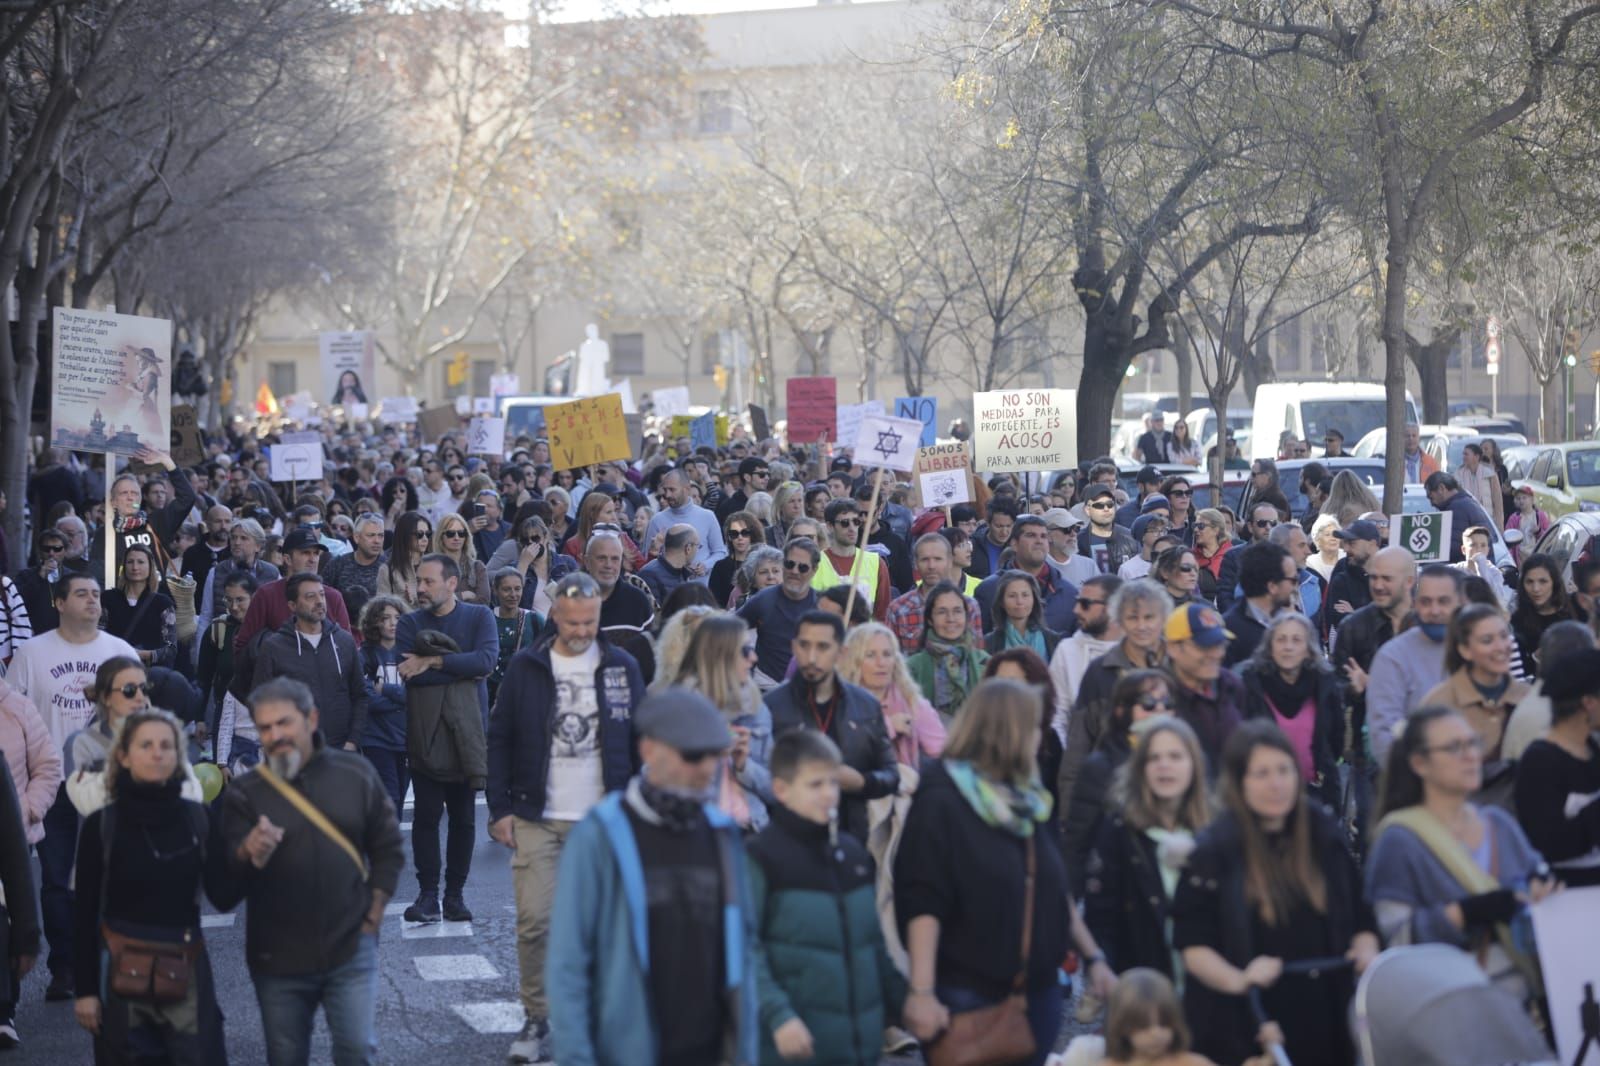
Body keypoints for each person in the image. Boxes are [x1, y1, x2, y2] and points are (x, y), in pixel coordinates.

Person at [895, 680, 1117, 1065]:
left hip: (1037, 991)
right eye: (1032, 727)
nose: (1039, 738)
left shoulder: (1026, 796)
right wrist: (922, 991)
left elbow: (1051, 887)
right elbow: (923, 900)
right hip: (970, 993)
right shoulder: (943, 796)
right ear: (1005, 729)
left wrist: (1093, 957)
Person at [545, 688, 760, 1066]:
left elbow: (746, 950)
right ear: (649, 750)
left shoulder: (723, 834)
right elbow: (568, 963)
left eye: (714, 754)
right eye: (693, 755)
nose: (707, 768)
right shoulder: (601, 835)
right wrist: (577, 1056)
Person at [487, 571, 643, 1065]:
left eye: (590, 622)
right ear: (555, 615)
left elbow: (643, 742)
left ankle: (591, 1018)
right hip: (537, 814)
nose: (581, 631)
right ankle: (537, 1015)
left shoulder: (622, 667)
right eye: (572, 622)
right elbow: (501, 736)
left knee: (599, 927)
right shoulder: (525, 666)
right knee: (535, 920)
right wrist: (500, 808)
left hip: (604, 820)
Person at [220, 677, 405, 1066]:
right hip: (278, 958)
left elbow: (387, 848)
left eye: (284, 723)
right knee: (286, 1057)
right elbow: (220, 892)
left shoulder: (355, 773)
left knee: (357, 1051)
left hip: (351, 947)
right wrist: (245, 853)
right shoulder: (244, 793)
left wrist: (374, 910)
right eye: (264, 727)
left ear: (312, 719)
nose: (274, 735)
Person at [1172, 722, 1378, 1066]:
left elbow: (1361, 912)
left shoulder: (1323, 834)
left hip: (1326, 1011)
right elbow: (1193, 947)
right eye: (1262, 773)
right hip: (1248, 1020)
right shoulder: (1214, 850)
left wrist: (1366, 948)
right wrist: (1239, 979)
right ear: (1239, 782)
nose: (1276, 784)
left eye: (1284, 770)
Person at [71, 708, 236, 1063]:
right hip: (120, 974)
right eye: (146, 745)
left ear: (179, 755)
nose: (158, 752)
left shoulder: (199, 817)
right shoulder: (103, 825)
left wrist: (250, 857)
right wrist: (85, 991)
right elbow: (83, 913)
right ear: (125, 756)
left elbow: (223, 896)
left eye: (167, 745)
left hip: (187, 969)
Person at [6, 572, 139, 1001]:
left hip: (112, 784)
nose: (92, 601)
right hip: (55, 786)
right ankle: (65, 966)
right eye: (81, 594)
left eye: (96, 595)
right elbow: (12, 721)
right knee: (58, 881)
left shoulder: (119, 651)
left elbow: (142, 713)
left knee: (116, 875)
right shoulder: (31, 652)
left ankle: (114, 959)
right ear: (59, 602)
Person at [1365, 707, 1555, 1001]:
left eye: (1472, 743)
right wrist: (1463, 914)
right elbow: (1393, 941)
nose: (1470, 756)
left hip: (1523, 1008)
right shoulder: (1399, 840)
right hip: (1449, 1010)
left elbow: (1539, 886)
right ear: (1419, 763)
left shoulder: (1499, 823)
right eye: (1454, 747)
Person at [746, 728, 907, 1064]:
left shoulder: (851, 856)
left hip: (857, 1049)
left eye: (833, 783)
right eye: (815, 785)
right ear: (781, 790)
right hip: (795, 1049)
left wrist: (907, 1002)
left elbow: (872, 945)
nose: (828, 795)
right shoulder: (761, 857)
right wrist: (779, 1016)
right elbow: (745, 950)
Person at [393, 555, 496, 924]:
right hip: (425, 734)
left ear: (451, 583)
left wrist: (432, 661)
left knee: (464, 819)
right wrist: (458, 669)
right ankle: (427, 895)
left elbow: (485, 662)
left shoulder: (479, 617)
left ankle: (455, 896)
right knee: (426, 817)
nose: (420, 588)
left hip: (467, 735)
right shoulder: (409, 622)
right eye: (419, 581)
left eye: (428, 582)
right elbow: (408, 673)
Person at [1083, 715, 1214, 983]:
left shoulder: (1217, 828)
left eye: (1175, 756)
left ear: (1194, 765)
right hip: (1142, 984)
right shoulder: (1119, 829)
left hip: (1209, 987)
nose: (1164, 765)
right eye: (1154, 758)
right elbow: (1101, 915)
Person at [765, 610, 898, 843]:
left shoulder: (865, 706)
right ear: (794, 647)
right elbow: (759, 776)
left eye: (823, 647)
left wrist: (862, 782)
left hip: (850, 835)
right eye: (804, 646)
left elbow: (891, 774)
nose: (812, 657)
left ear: (841, 653)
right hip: (788, 837)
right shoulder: (771, 706)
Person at [1062, 582, 1172, 816]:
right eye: (1133, 618)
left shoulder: (1177, 668)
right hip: (1111, 799)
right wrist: (1069, 814)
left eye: (1149, 617)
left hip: (1172, 795)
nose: (1142, 626)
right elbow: (1078, 745)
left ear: (1163, 619)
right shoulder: (1099, 671)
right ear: (1119, 620)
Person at [1063, 670, 1176, 890]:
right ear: (1121, 711)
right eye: (1148, 703)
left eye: (1168, 702)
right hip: (1119, 888)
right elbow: (1077, 844)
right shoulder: (1101, 767)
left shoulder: (1188, 759)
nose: (1160, 709)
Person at [671, 614, 774, 832]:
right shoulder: (678, 709)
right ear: (721, 656)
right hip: (695, 832)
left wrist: (743, 766)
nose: (753, 658)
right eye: (745, 650)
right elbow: (654, 780)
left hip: (749, 829)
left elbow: (775, 789)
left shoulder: (755, 707)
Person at [64, 657, 204, 817]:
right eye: (129, 690)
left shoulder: (162, 736)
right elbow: (86, 803)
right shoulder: (82, 742)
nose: (140, 697)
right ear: (106, 697)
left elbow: (193, 795)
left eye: (144, 689)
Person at [1513, 648, 1600, 887]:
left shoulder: (1592, 748)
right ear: (1589, 703)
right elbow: (1548, 845)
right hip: (1567, 904)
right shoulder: (1540, 762)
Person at [1238, 614, 1343, 809]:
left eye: (1296, 640)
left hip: (1316, 795)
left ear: (1308, 649)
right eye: (1281, 639)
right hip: (1265, 795)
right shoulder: (1252, 686)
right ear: (1270, 647)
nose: (1288, 647)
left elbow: (1336, 740)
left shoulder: (1324, 685)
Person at [252, 573, 367, 750]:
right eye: (310, 596)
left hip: (342, 749)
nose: (320, 601)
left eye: (322, 594)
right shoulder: (274, 647)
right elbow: (261, 702)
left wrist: (353, 741)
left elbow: (360, 694)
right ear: (292, 605)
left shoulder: (344, 641)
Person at [1419, 602, 1530, 781]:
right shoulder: (1440, 704)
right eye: (1487, 640)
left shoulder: (1528, 697)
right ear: (1465, 650)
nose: (1501, 647)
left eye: (1504, 636)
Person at [1367, 565, 1462, 762]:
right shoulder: (1392, 657)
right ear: (1415, 604)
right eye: (1426, 602)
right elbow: (1383, 736)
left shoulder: (1480, 648)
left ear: (1460, 603)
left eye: (1443, 601)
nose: (1434, 610)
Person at [840, 622, 946, 769]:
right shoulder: (839, 703)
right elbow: (839, 753)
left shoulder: (913, 704)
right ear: (853, 662)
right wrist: (887, 727)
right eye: (870, 655)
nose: (881, 663)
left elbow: (943, 756)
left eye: (887, 654)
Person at [234, 528, 355, 655]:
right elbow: (243, 644)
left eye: (316, 553)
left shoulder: (333, 597)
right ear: (287, 559)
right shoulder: (266, 594)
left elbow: (347, 648)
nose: (313, 559)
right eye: (305, 553)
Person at [1162, 604, 1246, 773]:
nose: (1216, 654)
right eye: (1205, 646)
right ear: (1173, 648)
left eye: (1219, 644)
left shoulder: (1231, 684)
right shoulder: (1154, 696)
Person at [738, 538, 822, 688]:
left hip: (807, 688)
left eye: (802, 568)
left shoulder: (822, 605)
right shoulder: (763, 599)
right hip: (765, 685)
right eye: (790, 564)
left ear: (814, 570)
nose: (794, 571)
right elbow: (728, 630)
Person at [905, 583, 991, 724]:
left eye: (957, 611)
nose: (951, 619)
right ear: (929, 620)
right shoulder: (913, 667)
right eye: (942, 612)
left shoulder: (985, 663)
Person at [886, 533, 984, 653]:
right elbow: (891, 658)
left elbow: (977, 657)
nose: (931, 566)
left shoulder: (969, 606)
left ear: (949, 562)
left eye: (938, 559)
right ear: (915, 564)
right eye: (925, 560)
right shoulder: (898, 609)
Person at [356, 595, 409, 816]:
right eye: (385, 618)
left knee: (400, 798)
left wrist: (386, 689)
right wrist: (400, 700)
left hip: (407, 738)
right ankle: (388, 847)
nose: (392, 623)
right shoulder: (365, 654)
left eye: (397, 617)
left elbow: (415, 696)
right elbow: (367, 698)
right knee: (389, 795)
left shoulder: (410, 653)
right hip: (376, 738)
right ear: (374, 622)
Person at [811, 498, 892, 622]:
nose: (852, 528)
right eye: (845, 523)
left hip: (864, 638)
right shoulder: (814, 564)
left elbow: (883, 614)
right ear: (830, 526)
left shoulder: (876, 563)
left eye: (856, 522)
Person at [198, 518, 279, 637]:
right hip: (223, 639)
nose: (237, 542)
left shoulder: (272, 573)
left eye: (244, 538)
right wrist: (200, 652)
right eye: (234, 537)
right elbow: (206, 616)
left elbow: (276, 615)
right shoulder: (216, 572)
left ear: (258, 546)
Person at [102, 544, 176, 668]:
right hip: (113, 669)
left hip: (149, 673)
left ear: (150, 567)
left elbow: (170, 649)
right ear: (124, 566)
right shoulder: (107, 598)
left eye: (141, 562)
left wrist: (141, 654)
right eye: (130, 562)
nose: (135, 567)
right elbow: (98, 636)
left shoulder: (163, 603)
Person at [643, 467, 727, 574]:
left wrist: (705, 565)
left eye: (672, 490)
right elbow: (647, 560)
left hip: (702, 587)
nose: (667, 495)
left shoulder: (708, 516)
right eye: (665, 490)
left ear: (687, 489)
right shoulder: (657, 520)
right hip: (669, 588)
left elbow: (720, 553)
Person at [1509, 552, 1579, 678]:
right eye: (1529, 582)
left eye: (1543, 581)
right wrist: (1537, 658)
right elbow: (1519, 672)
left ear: (1554, 582)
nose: (1536, 588)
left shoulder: (1575, 608)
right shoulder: (1517, 621)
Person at [322, 513, 387, 628]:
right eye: (371, 535)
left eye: (381, 536)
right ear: (356, 537)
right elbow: (323, 599)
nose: (377, 541)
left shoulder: (390, 568)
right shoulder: (337, 565)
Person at [488, 569, 541, 708]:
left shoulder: (534, 619)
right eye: (506, 589)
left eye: (517, 589)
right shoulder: (486, 619)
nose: (513, 595)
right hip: (490, 691)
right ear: (495, 590)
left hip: (525, 691)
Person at [985, 570, 1064, 661]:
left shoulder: (1053, 640)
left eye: (1025, 595)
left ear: (1034, 599)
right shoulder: (990, 643)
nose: (1019, 601)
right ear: (1002, 602)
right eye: (1012, 596)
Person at [1423, 472, 1495, 563]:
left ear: (1441, 488)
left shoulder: (1456, 508)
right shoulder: (1467, 503)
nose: (1431, 504)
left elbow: (1452, 549)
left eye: (1431, 497)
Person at [377, 511, 431, 609]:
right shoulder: (387, 570)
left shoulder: (434, 566)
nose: (425, 539)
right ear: (405, 535)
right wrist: (404, 601)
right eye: (419, 534)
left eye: (428, 534)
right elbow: (382, 609)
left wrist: (416, 599)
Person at [1080, 485, 1138, 576]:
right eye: (1099, 505)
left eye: (1110, 504)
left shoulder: (1130, 537)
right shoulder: (1078, 540)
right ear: (1087, 510)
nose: (1106, 509)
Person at [710, 510, 764, 607]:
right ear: (729, 537)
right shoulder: (720, 567)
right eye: (734, 534)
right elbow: (714, 602)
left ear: (753, 534)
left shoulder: (763, 563)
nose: (740, 537)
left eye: (745, 532)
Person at [639, 523, 699, 607]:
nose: (697, 551)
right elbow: (654, 616)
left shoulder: (683, 575)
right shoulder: (649, 575)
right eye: (698, 546)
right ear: (688, 548)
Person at [1189, 509, 1231, 607]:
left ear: (1216, 530)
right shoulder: (1190, 557)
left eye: (1201, 526)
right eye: (1195, 526)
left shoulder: (1231, 555)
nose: (1195, 530)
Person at [1456, 442, 1504, 528]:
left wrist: (1499, 525)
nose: (1463, 457)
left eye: (1466, 454)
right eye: (1463, 454)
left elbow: (1498, 502)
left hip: (1487, 519)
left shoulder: (1489, 474)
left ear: (1476, 457)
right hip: (1467, 521)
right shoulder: (1458, 475)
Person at [1504, 485, 1549, 565]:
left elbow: (1548, 538)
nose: (1521, 501)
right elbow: (1508, 539)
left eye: (1524, 498)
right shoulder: (1514, 518)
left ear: (1531, 499)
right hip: (1520, 557)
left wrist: (1538, 531)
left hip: (1536, 555)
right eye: (1518, 498)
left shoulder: (1540, 516)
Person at [1153, 546, 1205, 610]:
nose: (1193, 573)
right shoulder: (1149, 605)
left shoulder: (1204, 608)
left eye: (1195, 569)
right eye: (1186, 567)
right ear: (1165, 572)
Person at [1306, 514, 1342, 584]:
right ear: (1317, 540)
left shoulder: (1347, 557)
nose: (1333, 538)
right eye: (1327, 535)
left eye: (1335, 534)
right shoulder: (1310, 563)